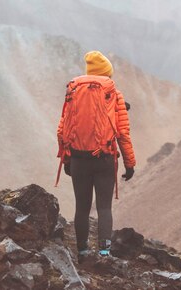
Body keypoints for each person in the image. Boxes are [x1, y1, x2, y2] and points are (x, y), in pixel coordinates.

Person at [56, 50, 136, 259]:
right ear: (106, 74)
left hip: (78, 159)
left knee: (81, 207)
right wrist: (130, 164)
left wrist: (66, 159)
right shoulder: (114, 94)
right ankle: (104, 251)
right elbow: (123, 134)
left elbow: (62, 130)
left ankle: (82, 250)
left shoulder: (74, 91)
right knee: (104, 208)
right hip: (105, 159)